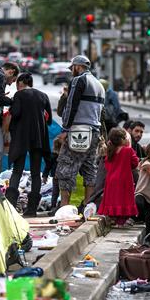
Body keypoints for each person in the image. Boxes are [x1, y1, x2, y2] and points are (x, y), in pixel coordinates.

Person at [55, 55, 105, 207]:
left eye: (72, 68)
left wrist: (65, 128)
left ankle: (64, 207)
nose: (71, 72)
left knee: (66, 167)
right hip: (94, 131)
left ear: (78, 66)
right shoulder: (99, 85)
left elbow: (71, 106)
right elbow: (102, 114)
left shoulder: (78, 80)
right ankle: (88, 206)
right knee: (89, 169)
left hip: (78, 130)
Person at [5, 73, 52, 217]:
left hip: (21, 137)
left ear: (20, 83)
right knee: (36, 172)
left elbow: (15, 113)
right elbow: (48, 118)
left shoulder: (19, 96)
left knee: (17, 171)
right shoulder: (43, 96)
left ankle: (11, 207)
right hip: (38, 138)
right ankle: (32, 209)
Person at [97, 128, 139, 226]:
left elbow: (107, 165)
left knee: (112, 199)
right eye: (125, 138)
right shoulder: (128, 150)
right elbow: (135, 163)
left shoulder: (111, 151)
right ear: (121, 139)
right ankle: (121, 220)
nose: (127, 139)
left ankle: (111, 218)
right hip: (124, 180)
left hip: (111, 179)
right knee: (123, 200)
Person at [42, 137, 63, 211]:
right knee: (62, 190)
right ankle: (60, 204)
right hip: (62, 176)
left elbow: (48, 166)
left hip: (56, 176)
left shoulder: (53, 155)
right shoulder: (62, 156)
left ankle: (53, 205)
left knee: (55, 192)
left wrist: (45, 176)